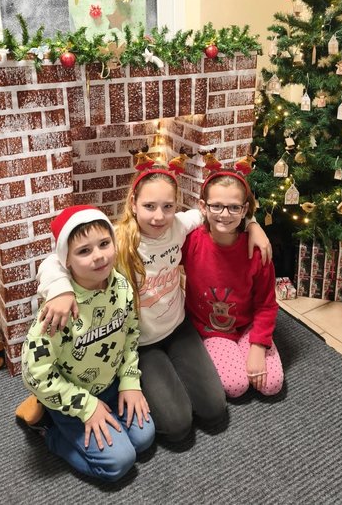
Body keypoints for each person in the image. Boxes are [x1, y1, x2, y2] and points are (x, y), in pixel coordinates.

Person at [29, 161, 272, 443]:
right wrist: (60, 290)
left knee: (214, 410)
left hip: (179, 328)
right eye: (149, 206)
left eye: (168, 206)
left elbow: (221, 212)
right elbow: (54, 260)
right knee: (177, 426)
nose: (159, 216)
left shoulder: (179, 225)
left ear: (176, 206)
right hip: (141, 342)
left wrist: (254, 225)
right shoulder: (117, 240)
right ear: (133, 204)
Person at [18, 205, 155, 482]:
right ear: (66, 261)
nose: (99, 256)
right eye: (84, 251)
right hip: (72, 396)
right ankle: (47, 427)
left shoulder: (122, 286)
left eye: (104, 244)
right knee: (119, 463)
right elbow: (34, 372)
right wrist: (86, 407)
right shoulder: (59, 311)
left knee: (144, 439)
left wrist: (130, 381)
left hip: (110, 384)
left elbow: (130, 334)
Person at [182, 170, 284, 398]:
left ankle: (250, 345)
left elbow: (267, 304)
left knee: (272, 384)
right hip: (210, 329)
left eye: (234, 207)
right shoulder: (191, 242)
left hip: (248, 325)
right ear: (203, 207)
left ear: (244, 210)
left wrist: (258, 346)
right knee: (236, 386)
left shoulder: (257, 250)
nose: (225, 214)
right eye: (216, 206)